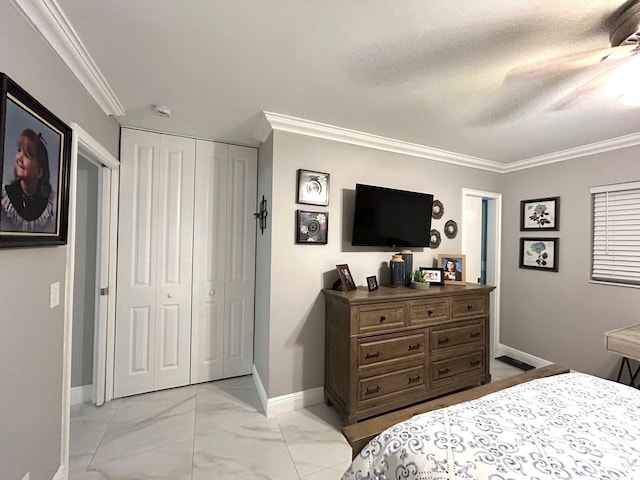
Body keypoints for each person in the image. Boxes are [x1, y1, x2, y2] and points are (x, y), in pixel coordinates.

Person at [0, 129, 56, 233]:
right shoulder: (6, 197)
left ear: (39, 172)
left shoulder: (46, 204)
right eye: (19, 150)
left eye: (27, 155)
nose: (19, 158)